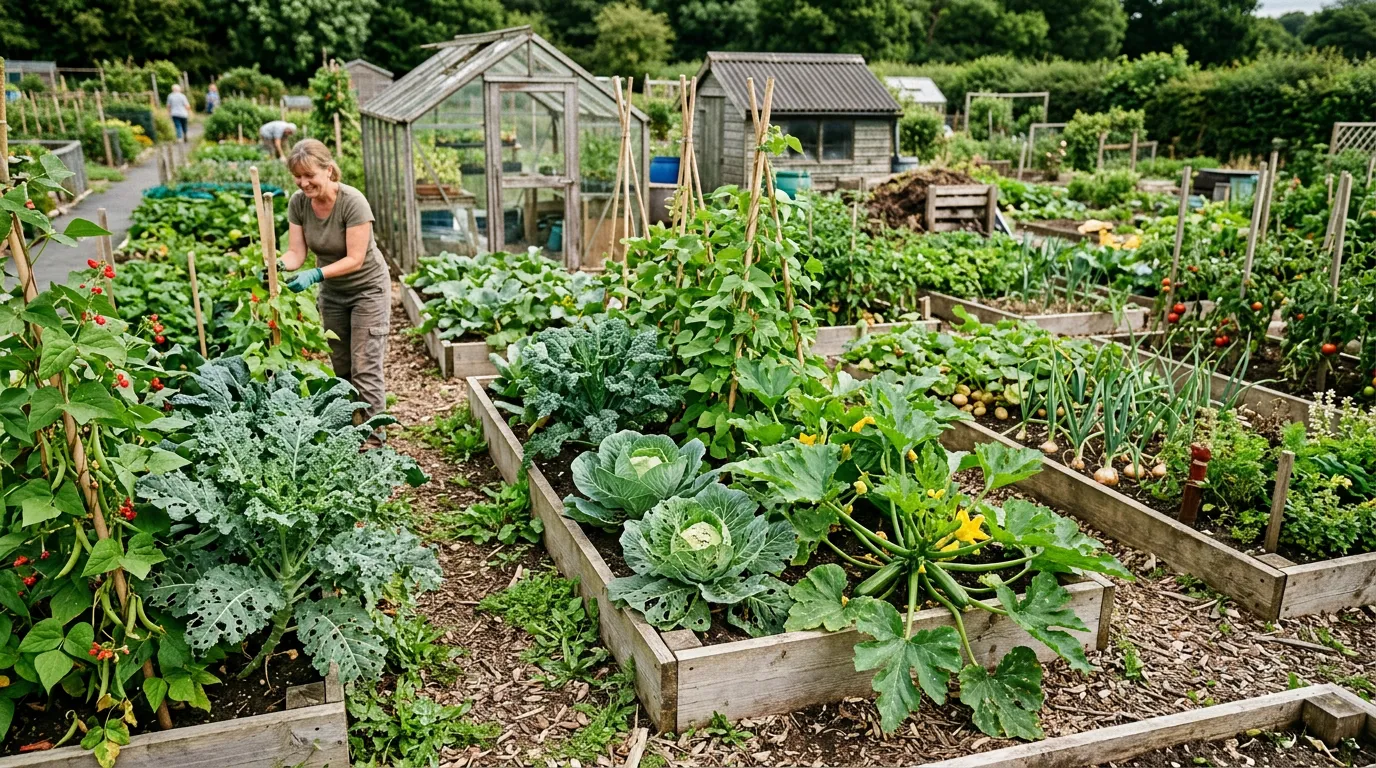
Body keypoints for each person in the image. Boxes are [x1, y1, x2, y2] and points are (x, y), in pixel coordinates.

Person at [279, 139, 390, 442]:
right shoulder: (299, 203)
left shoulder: (353, 202)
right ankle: (353, 431)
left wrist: (315, 274)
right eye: (297, 177)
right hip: (333, 294)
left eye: (309, 175)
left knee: (365, 367)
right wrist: (277, 265)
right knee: (341, 366)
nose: (303, 183)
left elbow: (355, 259)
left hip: (368, 289)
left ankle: (374, 440)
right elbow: (295, 254)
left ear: (328, 170)